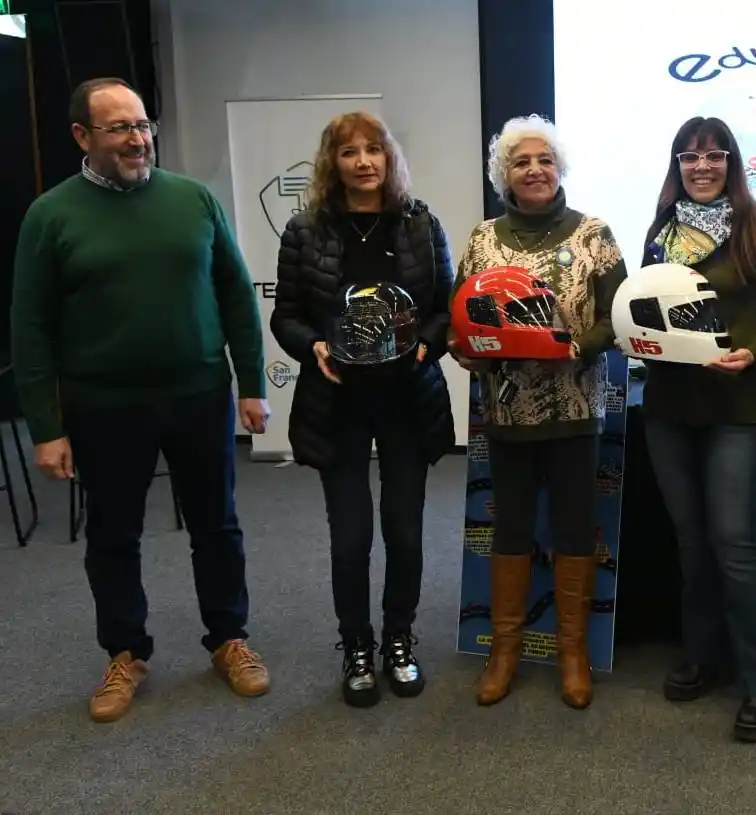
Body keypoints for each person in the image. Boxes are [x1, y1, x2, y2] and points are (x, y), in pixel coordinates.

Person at [9, 77, 271, 723]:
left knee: (217, 524)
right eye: (119, 128)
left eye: (143, 125)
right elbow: (31, 327)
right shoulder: (50, 215)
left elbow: (236, 295)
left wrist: (253, 385)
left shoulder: (193, 200)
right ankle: (126, 650)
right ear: (82, 137)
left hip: (199, 394)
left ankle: (228, 638)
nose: (138, 139)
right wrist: (46, 425)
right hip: (105, 406)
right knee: (113, 534)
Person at [269, 111, 455, 708]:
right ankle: (356, 646)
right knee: (349, 541)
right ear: (334, 163)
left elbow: (446, 306)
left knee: (403, 534)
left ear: (389, 157)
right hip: (336, 403)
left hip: (407, 400)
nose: (363, 161)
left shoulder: (422, 225)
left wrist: (429, 343)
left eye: (374, 149)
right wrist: (313, 345)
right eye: (349, 152)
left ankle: (399, 640)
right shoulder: (305, 230)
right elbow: (286, 315)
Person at [450, 113, 627, 710]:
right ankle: (505, 650)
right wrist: (466, 347)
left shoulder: (595, 234)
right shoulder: (481, 239)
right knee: (512, 527)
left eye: (544, 160)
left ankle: (572, 651)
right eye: (521, 162)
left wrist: (579, 345)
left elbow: (618, 315)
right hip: (505, 412)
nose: (534, 170)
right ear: (506, 174)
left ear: (559, 169)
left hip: (576, 405)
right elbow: (463, 316)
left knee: (576, 526)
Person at [637, 116, 756, 741]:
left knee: (735, 546)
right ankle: (704, 657)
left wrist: (751, 353)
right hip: (670, 411)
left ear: (732, 163)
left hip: (739, 410)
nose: (701, 167)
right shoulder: (661, 231)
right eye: (689, 156)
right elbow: (645, 306)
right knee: (691, 544)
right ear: (677, 165)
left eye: (714, 156)